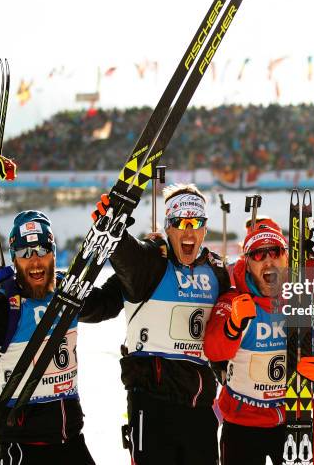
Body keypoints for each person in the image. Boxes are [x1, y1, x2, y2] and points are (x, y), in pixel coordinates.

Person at [0, 210, 123, 465]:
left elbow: (108, 303)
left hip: (70, 440)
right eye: (25, 253)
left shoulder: (68, 293)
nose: (34, 261)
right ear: (14, 259)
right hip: (23, 445)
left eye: (41, 250)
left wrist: (141, 259)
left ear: (53, 253)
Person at [94, 183, 230, 465]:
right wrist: (113, 227)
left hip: (199, 407)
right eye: (180, 222)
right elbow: (127, 255)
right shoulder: (151, 263)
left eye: (196, 222)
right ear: (168, 227)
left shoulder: (218, 273)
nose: (189, 231)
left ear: (205, 229)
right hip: (152, 404)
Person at [204, 222, 314, 465]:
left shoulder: (308, 300)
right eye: (258, 254)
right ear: (247, 263)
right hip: (243, 425)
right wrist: (232, 326)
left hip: (293, 420)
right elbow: (213, 349)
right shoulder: (235, 298)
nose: (268, 260)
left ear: (287, 259)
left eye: (276, 252)